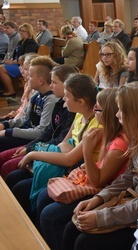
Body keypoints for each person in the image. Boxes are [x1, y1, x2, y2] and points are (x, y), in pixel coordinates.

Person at [62, 82, 138, 249]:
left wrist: (102, 216)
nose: (117, 115)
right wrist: (99, 199)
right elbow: (128, 177)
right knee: (71, 228)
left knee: (84, 242)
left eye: (121, 110)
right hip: (134, 203)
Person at [38, 88, 129, 250]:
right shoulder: (107, 133)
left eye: (98, 108)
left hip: (107, 192)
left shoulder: (119, 143)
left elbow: (98, 181)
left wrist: (86, 150)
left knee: (50, 215)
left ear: (109, 113)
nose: (94, 111)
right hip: (98, 185)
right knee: (44, 195)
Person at [6, 74, 99, 220]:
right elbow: (64, 143)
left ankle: (34, 229)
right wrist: (65, 150)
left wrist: (33, 154)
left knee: (32, 194)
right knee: (14, 178)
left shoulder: (96, 125)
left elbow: (69, 159)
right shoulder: (79, 115)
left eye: (67, 96)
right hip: (65, 163)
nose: (63, 99)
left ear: (81, 101)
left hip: (75, 171)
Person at [0, 64, 77, 179]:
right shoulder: (59, 103)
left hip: (51, 150)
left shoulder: (70, 110)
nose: (51, 86)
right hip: (42, 145)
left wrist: (32, 149)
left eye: (54, 82)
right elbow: (48, 130)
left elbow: (59, 140)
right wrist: (30, 147)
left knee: (10, 170)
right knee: (3, 158)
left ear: (67, 85)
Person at [0, 56, 58, 152]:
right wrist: (5, 125)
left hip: (33, 139)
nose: (27, 78)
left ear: (40, 81)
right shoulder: (36, 94)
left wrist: (8, 132)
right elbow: (24, 119)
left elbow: (40, 132)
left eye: (30, 76)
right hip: (25, 131)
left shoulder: (51, 100)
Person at [0, 23, 38, 97]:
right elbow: (16, 54)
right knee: (1, 66)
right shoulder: (21, 41)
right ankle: (5, 88)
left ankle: (11, 91)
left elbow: (27, 58)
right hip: (17, 63)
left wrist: (13, 62)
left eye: (23, 31)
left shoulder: (30, 43)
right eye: (20, 31)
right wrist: (11, 60)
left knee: (1, 69)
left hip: (24, 66)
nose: (21, 32)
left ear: (29, 32)